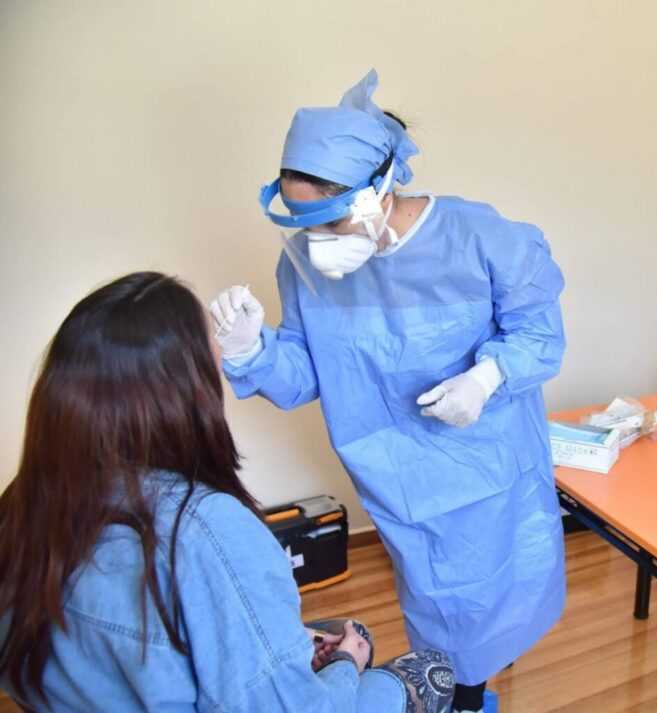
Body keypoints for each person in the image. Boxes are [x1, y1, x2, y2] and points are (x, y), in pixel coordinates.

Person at [210, 70, 567, 713]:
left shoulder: (482, 239)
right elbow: (309, 373)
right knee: (433, 604)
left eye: (331, 220)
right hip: (397, 480)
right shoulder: (303, 265)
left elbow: (539, 335)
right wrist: (251, 352)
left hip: (488, 471)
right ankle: (460, 690)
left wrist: (486, 378)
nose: (318, 242)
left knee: (492, 600)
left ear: (379, 189)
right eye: (305, 224)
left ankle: (467, 694)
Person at [0, 272, 454, 713]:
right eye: (212, 354)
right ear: (184, 388)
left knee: (337, 633)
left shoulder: (22, 501)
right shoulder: (205, 531)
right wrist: (344, 665)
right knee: (428, 669)